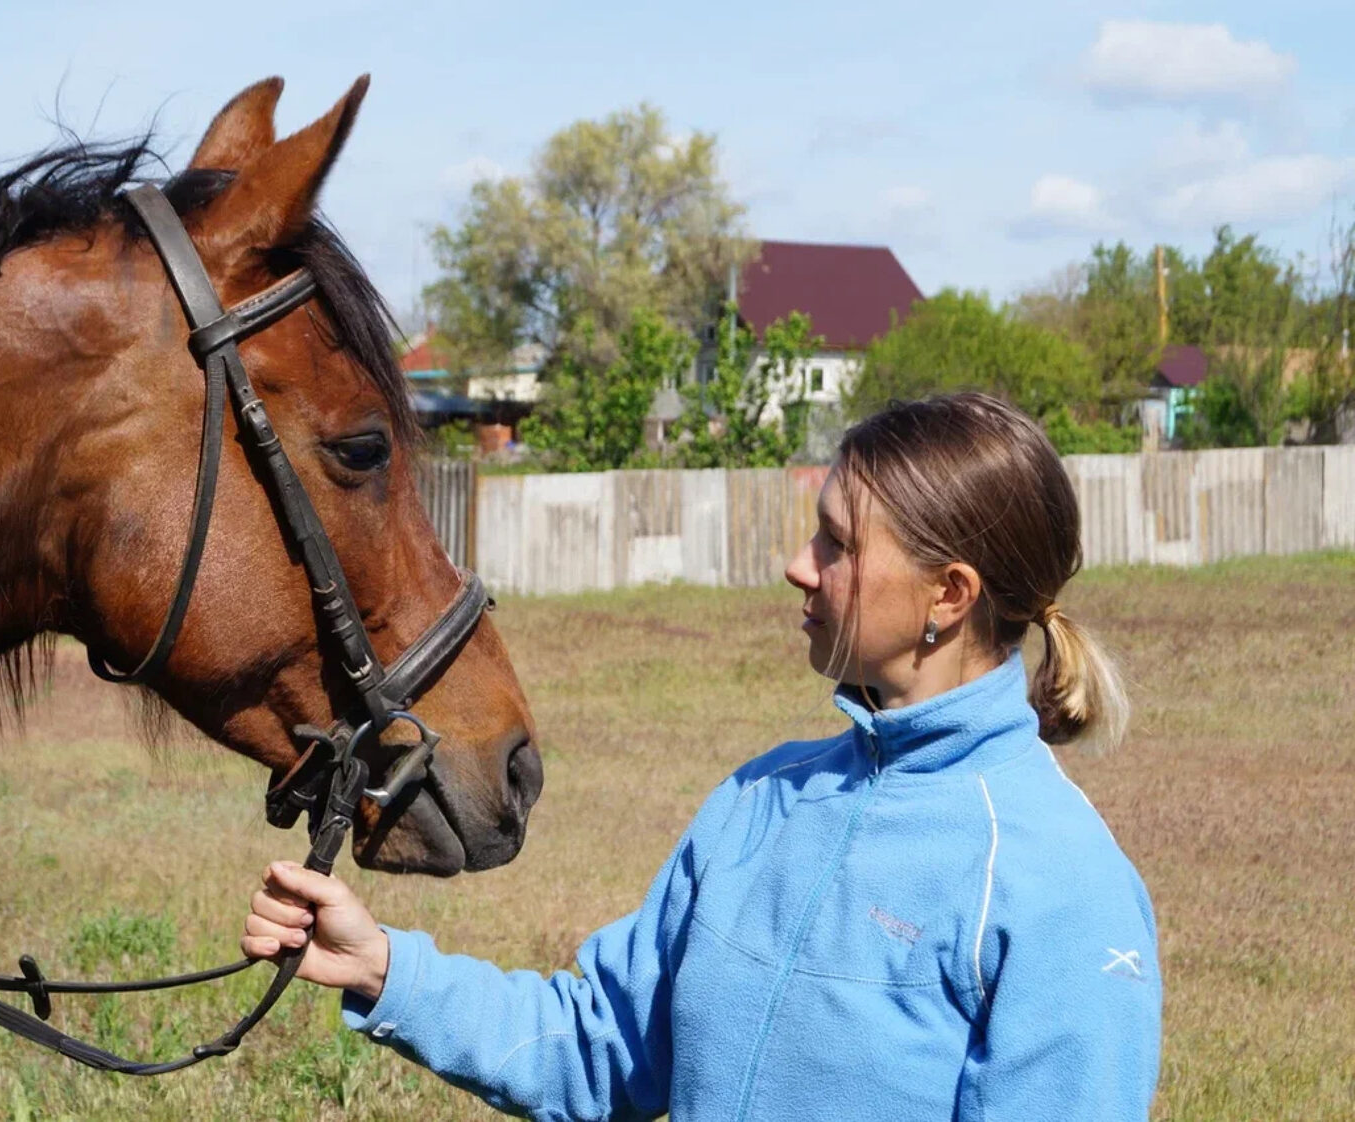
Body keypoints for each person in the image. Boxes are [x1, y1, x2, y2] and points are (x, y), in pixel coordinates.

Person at [242, 392, 1162, 1120]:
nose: (799, 565)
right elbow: (601, 1048)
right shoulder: (761, 803)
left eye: (837, 543)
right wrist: (384, 968)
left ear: (948, 595)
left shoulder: (1057, 884)